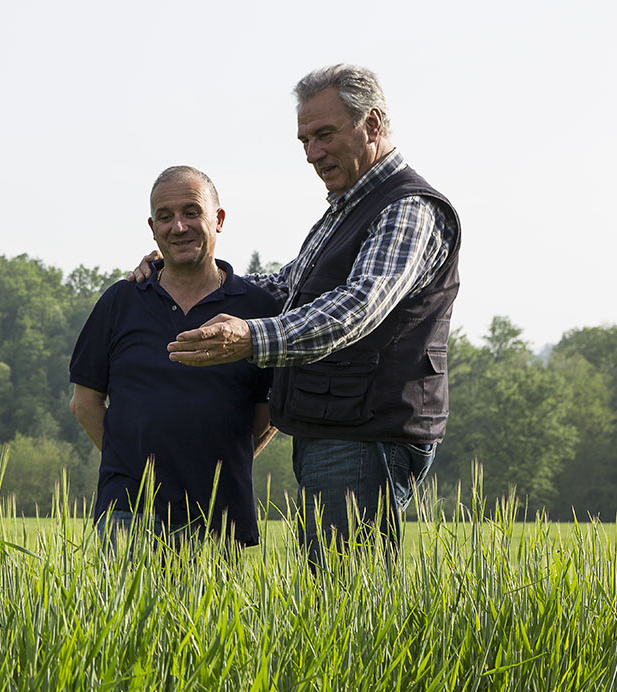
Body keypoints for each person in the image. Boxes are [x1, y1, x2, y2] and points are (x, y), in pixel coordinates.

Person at [129, 64, 460, 567]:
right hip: (335, 428)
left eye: (325, 135)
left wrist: (250, 337)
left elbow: (358, 305)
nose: (313, 153)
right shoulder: (347, 208)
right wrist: (193, 275)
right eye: (304, 140)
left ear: (372, 125)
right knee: (329, 596)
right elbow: (286, 287)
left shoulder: (407, 208)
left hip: (366, 434)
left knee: (344, 601)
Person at [71, 166, 279, 549]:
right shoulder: (121, 301)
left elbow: (270, 412)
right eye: (165, 217)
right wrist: (131, 464)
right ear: (152, 228)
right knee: (123, 612)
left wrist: (217, 463)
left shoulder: (258, 308)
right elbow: (84, 403)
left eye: (191, 212)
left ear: (218, 219)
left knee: (211, 613)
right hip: (128, 512)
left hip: (219, 515)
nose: (178, 227)